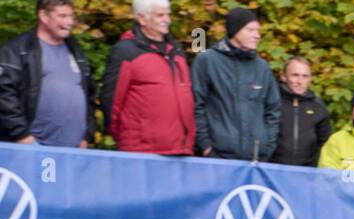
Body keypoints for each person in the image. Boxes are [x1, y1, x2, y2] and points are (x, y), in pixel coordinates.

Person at [100, 0, 193, 156]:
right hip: (141, 151)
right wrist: (127, 139)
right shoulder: (126, 51)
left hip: (180, 149)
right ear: (142, 19)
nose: (167, 20)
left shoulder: (176, 51)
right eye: (160, 15)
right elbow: (112, 101)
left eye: (168, 15)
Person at [0, 0, 95, 148]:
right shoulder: (18, 49)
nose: (70, 21)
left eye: (71, 16)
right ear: (44, 16)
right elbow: (4, 95)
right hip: (33, 146)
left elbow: (89, 94)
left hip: (74, 149)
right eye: (62, 16)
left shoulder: (76, 51)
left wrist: (86, 136)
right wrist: (21, 135)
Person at [191, 7, 280, 160]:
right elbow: (195, 105)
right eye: (251, 30)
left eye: (258, 31)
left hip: (255, 159)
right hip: (218, 157)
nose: (257, 36)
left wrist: (267, 146)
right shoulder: (207, 61)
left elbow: (273, 110)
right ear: (235, 30)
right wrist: (205, 146)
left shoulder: (261, 67)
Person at [269, 56, 330, 166]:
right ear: (283, 77)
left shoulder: (318, 107)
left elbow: (325, 144)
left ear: (310, 79)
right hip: (272, 171)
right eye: (295, 75)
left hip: (307, 174)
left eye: (305, 76)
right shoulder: (271, 102)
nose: (300, 81)